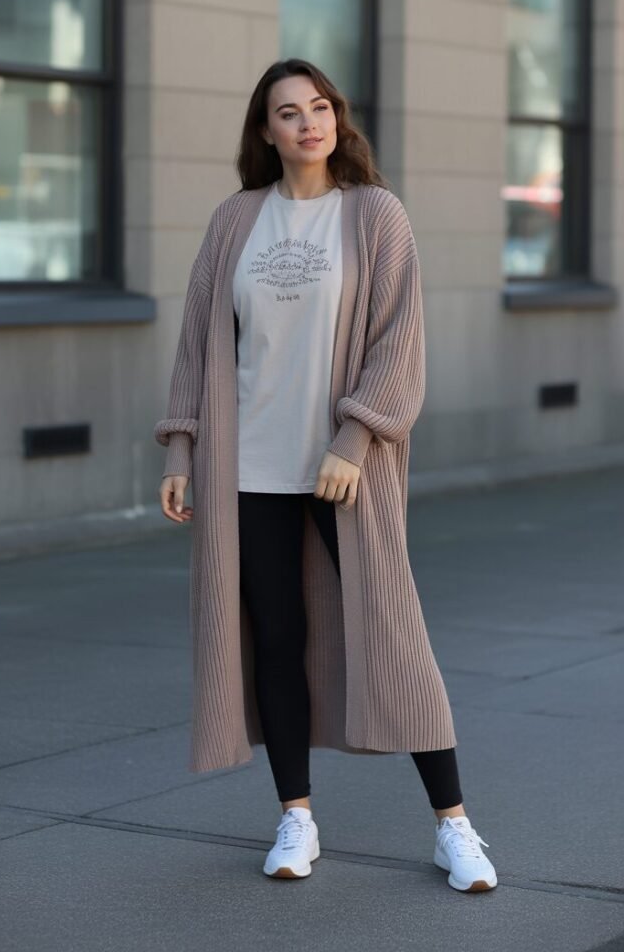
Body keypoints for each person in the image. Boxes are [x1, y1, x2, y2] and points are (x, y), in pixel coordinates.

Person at [156, 58, 497, 893]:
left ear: (336, 120)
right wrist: (180, 445)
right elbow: (199, 342)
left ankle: (455, 829)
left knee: (395, 637)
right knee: (276, 641)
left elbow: (398, 342)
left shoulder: (375, 215)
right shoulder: (235, 220)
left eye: (319, 107)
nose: (307, 122)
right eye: (287, 111)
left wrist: (352, 439)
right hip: (250, 472)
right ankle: (296, 818)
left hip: (344, 470)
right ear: (265, 131)